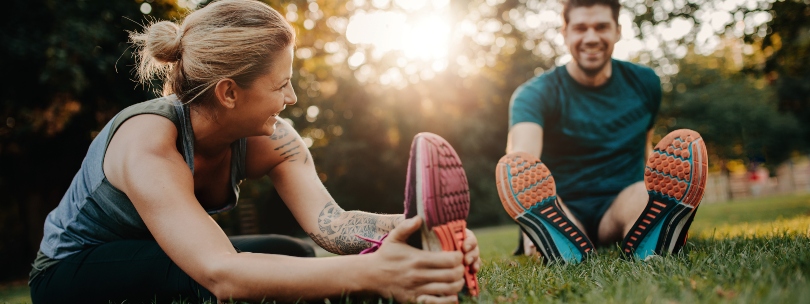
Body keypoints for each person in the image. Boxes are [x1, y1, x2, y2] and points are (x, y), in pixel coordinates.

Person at [28, 0, 479, 302]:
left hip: (166, 254)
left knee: (293, 254)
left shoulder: (273, 140)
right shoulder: (148, 142)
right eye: (281, 84)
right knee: (206, 279)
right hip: (71, 269)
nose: (294, 98)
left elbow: (333, 225)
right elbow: (220, 272)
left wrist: (423, 229)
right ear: (228, 92)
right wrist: (373, 274)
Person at [495, 0, 708, 263]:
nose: (591, 37)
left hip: (620, 202)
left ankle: (655, 230)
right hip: (564, 205)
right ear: (565, 33)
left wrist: (662, 182)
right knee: (555, 213)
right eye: (581, 28)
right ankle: (545, 231)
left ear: (617, 31)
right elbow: (522, 160)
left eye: (601, 27)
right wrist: (525, 213)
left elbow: (644, 148)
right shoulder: (534, 94)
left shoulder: (645, 83)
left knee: (646, 196)